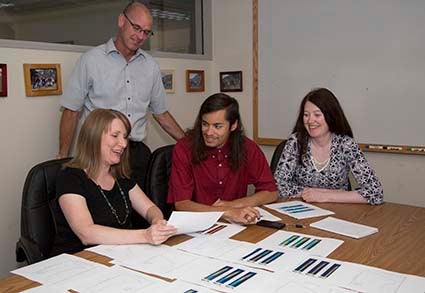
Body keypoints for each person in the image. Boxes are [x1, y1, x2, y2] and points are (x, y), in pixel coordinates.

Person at [57, 1, 185, 188]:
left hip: (137, 155)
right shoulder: (91, 60)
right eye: (136, 27)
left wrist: (189, 145)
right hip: (99, 154)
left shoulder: (150, 66)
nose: (140, 36)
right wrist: (63, 157)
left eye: (146, 32)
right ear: (121, 21)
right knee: (103, 212)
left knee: (142, 211)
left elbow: (161, 114)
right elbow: (71, 111)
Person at [51, 109, 176, 256]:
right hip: (76, 260)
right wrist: (144, 235)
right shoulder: (70, 178)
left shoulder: (121, 177)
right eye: (115, 136)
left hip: (117, 256)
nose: (123, 144)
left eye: (125, 137)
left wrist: (157, 221)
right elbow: (86, 233)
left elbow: (150, 208)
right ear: (94, 137)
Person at [167, 93, 278, 225]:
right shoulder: (184, 148)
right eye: (205, 124)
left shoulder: (248, 147)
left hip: (234, 224)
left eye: (217, 126)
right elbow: (182, 204)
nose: (209, 132)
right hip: (194, 225)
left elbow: (271, 192)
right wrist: (225, 211)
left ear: (233, 125)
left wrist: (234, 205)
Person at [274, 88, 384, 204]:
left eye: (317, 115)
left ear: (330, 116)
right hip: (300, 209)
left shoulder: (346, 145)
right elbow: (277, 187)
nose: (310, 120)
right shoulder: (296, 142)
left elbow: (375, 192)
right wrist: (313, 193)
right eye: (306, 115)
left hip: (338, 213)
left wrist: (326, 196)